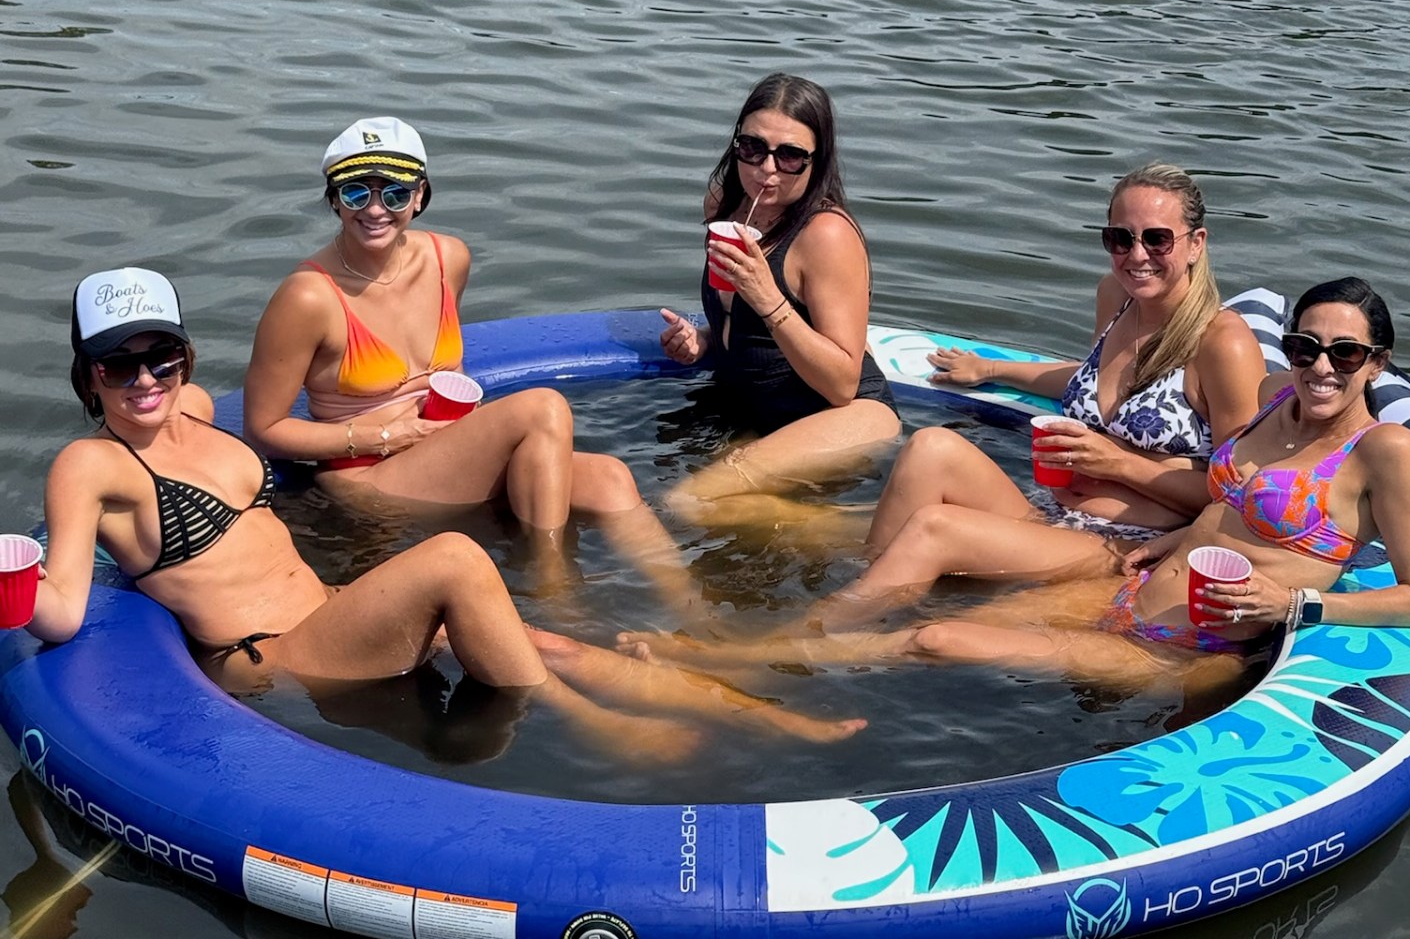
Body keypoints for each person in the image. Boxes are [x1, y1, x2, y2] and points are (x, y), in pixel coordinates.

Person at [31, 268, 865, 764]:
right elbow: (63, 606)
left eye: (161, 356)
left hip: (330, 614)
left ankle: (771, 715)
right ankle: (600, 729)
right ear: (88, 375)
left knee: (551, 640)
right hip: (275, 659)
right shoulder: (92, 463)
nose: (144, 380)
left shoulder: (198, 415)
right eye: (118, 364)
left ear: (184, 356)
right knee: (459, 560)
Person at [620, 277, 1410, 691]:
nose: (1321, 367)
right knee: (940, 620)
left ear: (1380, 361)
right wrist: (1165, 541)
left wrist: (1295, 606)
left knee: (937, 637)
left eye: (1346, 353)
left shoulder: (1386, 451)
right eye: (1306, 347)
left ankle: (735, 667)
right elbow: (1227, 500)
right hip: (1132, 585)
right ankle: (735, 658)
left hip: (1193, 645)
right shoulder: (1273, 406)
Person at [242, 117, 688, 603]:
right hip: (371, 477)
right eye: (355, 194)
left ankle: (698, 613)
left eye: (393, 193)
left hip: (447, 454)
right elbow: (262, 429)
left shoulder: (448, 258)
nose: (374, 210)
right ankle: (556, 590)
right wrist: (386, 435)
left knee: (610, 479)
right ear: (333, 199)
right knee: (542, 408)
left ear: (419, 196)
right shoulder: (308, 297)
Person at [862, 162, 1268, 575]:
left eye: (1157, 239)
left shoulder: (1222, 342)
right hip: (1052, 513)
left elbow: (1243, 498)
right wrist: (990, 368)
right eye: (1120, 239)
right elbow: (1092, 377)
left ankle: (832, 627)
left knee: (935, 528)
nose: (1137, 255)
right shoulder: (1118, 295)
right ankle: (865, 576)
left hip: (1127, 548)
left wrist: (1120, 463)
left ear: (1196, 243)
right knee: (929, 449)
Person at [657, 73, 901, 528]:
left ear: (816, 160)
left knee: (687, 503)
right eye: (752, 148)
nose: (766, 169)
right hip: (761, 410)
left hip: (843, 414)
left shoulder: (826, 235)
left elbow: (842, 383)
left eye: (790, 156)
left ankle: (877, 532)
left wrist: (769, 299)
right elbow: (745, 322)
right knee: (668, 485)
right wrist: (705, 340)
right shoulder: (723, 205)